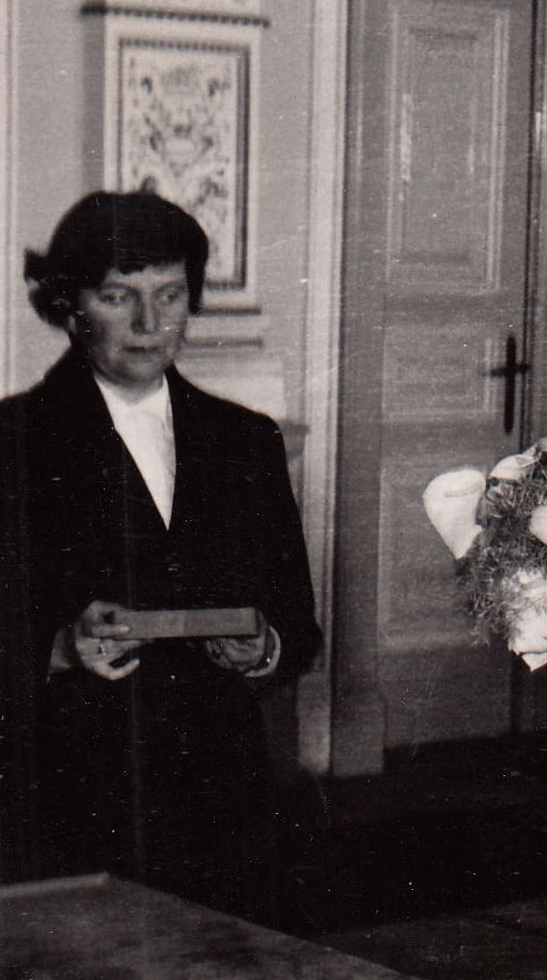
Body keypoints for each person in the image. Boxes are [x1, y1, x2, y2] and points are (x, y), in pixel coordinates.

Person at [0, 191, 321, 921]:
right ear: (69, 306)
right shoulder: (13, 441)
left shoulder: (246, 440)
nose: (149, 324)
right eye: (119, 297)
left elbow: (297, 624)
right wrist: (59, 647)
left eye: (170, 295)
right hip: (67, 799)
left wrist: (264, 649)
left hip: (222, 804)